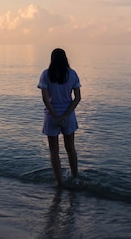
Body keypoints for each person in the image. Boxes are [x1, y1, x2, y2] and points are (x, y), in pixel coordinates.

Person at [37, 48, 81, 186]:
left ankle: (59, 182)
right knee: (71, 149)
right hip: (68, 117)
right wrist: (66, 115)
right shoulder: (72, 74)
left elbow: (45, 98)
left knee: (54, 151)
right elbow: (77, 98)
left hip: (51, 116)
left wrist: (55, 115)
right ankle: (75, 177)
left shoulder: (46, 74)